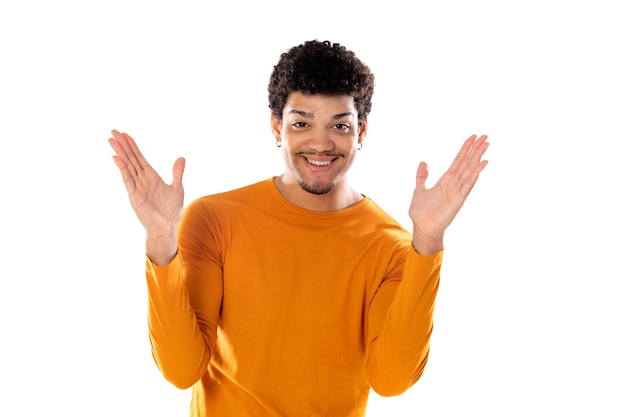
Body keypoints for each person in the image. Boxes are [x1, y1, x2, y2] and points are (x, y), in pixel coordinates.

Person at [109, 39, 489, 417]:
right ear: (277, 126)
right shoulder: (213, 219)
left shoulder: (393, 248)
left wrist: (427, 240)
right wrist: (160, 239)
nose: (320, 143)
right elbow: (181, 370)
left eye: (339, 124)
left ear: (362, 131)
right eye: (302, 123)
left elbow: (392, 380)